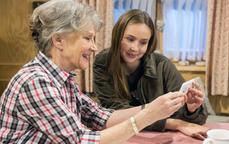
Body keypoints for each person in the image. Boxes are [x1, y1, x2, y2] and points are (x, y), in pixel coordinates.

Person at [0, 1, 187, 143]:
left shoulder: (62, 80)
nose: (95, 47)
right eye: (88, 38)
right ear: (58, 41)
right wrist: (148, 116)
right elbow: (81, 140)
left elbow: (101, 116)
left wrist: (153, 107)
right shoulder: (35, 81)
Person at [93, 9, 208, 139]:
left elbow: (194, 121)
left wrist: (190, 110)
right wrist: (173, 123)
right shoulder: (102, 62)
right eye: (130, 39)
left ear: (150, 43)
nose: (135, 48)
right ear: (117, 36)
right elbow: (114, 114)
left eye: (143, 42)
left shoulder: (162, 65)